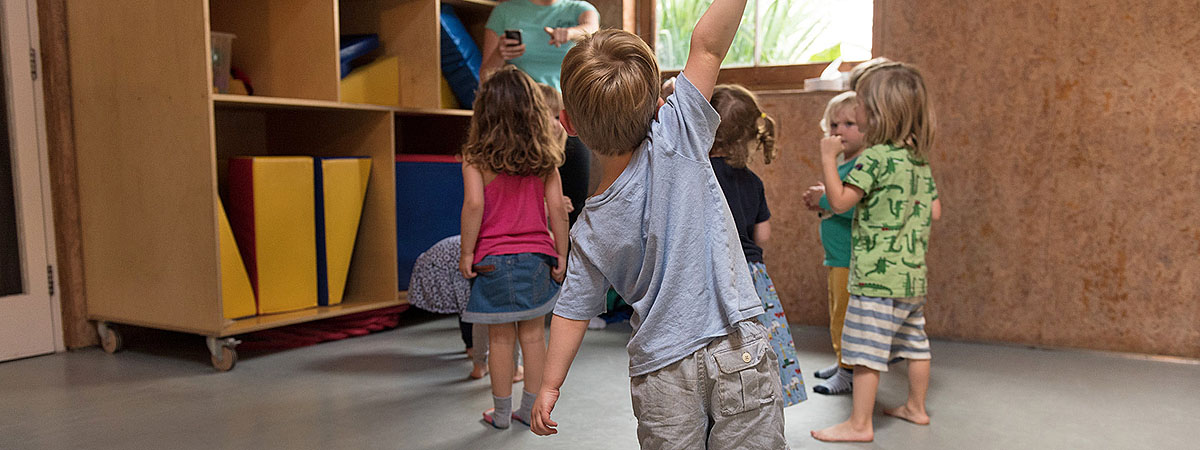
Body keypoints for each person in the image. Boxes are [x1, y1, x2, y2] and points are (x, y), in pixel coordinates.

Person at [529, 0, 788, 445]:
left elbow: (572, 311)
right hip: (735, 345)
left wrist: (550, 384)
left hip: (662, 374)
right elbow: (708, 46)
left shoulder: (588, 229)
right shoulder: (678, 134)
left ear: (568, 124)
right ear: (656, 106)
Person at [810, 61, 943, 443]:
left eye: (864, 105)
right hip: (912, 277)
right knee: (916, 345)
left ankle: (859, 424)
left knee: (866, 352)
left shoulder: (875, 158)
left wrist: (828, 158)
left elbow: (837, 202)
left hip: (874, 278)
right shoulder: (918, 160)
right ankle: (916, 408)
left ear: (879, 112)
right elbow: (935, 211)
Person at [459, 65, 570, 429]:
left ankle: (502, 415)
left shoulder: (475, 158)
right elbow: (557, 209)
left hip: (491, 261)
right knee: (534, 336)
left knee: (501, 340)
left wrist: (467, 253)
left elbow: (474, 205)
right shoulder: (545, 158)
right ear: (534, 110)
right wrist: (562, 254)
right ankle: (532, 410)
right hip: (537, 258)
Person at [707, 84, 806, 407]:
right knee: (759, 341)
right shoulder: (753, 181)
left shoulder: (699, 173)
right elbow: (762, 236)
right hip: (752, 274)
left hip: (711, 269)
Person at [480, 0, 600, 225]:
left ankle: (569, 258)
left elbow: (592, 29)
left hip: (569, 118)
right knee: (524, 201)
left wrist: (569, 33)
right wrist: (500, 53)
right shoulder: (504, 12)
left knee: (573, 202)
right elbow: (487, 77)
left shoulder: (578, 9)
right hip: (521, 122)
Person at [801, 91, 867, 395]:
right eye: (834, 124)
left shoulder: (862, 165)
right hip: (836, 255)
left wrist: (824, 200)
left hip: (850, 257)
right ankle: (843, 362)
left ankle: (849, 371)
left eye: (849, 123)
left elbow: (851, 206)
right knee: (836, 311)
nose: (839, 130)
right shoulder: (844, 164)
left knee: (845, 315)